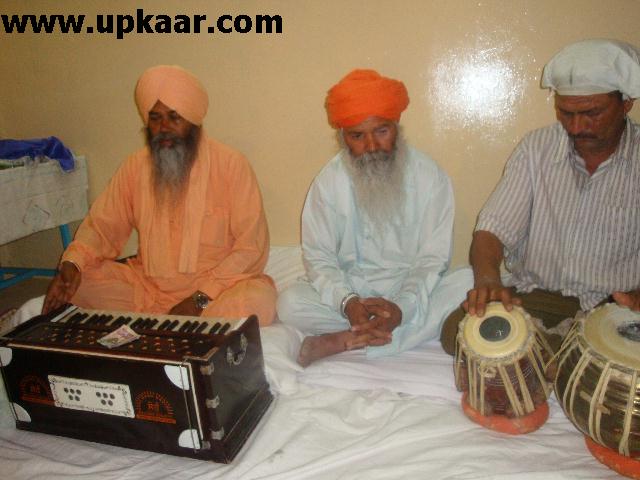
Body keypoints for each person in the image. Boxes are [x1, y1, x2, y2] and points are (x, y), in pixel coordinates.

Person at [440, 39, 640, 355]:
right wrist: (488, 281)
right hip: (541, 298)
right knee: (458, 331)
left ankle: (552, 358)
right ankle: (558, 357)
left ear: (626, 103)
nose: (577, 127)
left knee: (616, 357)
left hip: (615, 306)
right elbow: (492, 230)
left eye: (592, 113)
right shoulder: (537, 148)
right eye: (566, 113)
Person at [42, 65, 277, 325]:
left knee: (256, 301)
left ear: (193, 119)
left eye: (174, 118)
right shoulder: (135, 167)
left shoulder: (231, 165)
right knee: (80, 282)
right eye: (155, 118)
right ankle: (169, 323)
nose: (164, 128)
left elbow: (251, 249)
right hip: (147, 290)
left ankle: (169, 323)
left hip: (214, 294)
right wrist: (72, 265)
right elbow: (102, 227)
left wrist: (199, 299)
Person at [277, 69, 454, 367]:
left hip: (407, 288)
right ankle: (377, 334)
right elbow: (319, 257)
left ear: (396, 127)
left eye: (381, 131)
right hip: (352, 291)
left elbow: (432, 260)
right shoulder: (328, 182)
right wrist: (347, 302)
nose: (371, 146)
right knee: (289, 303)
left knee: (465, 284)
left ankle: (349, 339)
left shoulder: (430, 177)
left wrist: (402, 307)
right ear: (343, 137)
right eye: (357, 136)